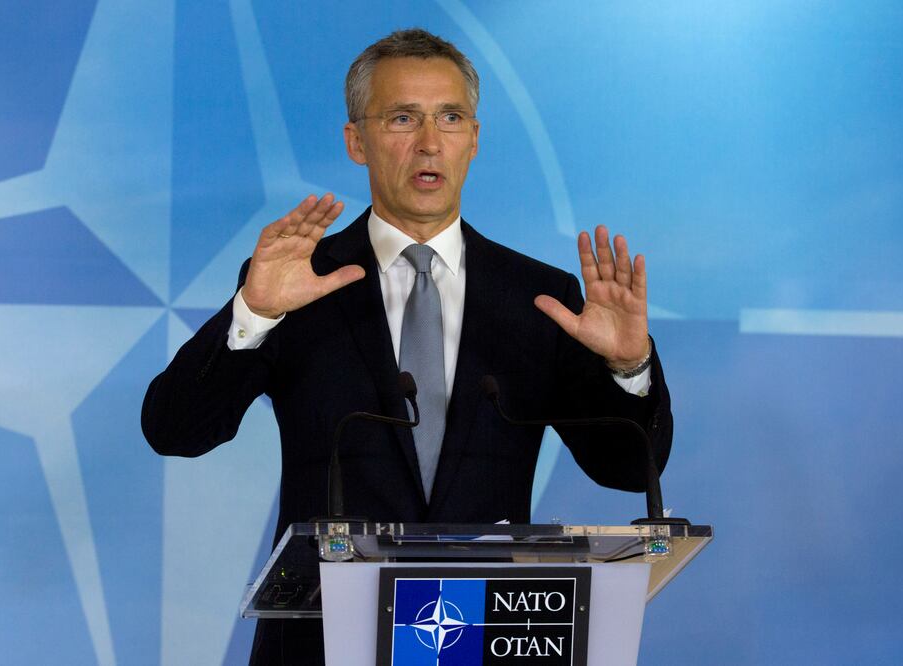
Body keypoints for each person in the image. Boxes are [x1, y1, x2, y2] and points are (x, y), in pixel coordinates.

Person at [142, 28, 672, 666]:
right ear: (356, 142)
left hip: (488, 641)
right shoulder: (297, 284)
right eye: (402, 118)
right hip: (321, 644)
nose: (429, 142)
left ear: (473, 139)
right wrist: (252, 313)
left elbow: (622, 469)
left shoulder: (539, 299)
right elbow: (176, 430)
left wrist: (627, 366)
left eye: (450, 117)